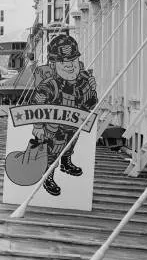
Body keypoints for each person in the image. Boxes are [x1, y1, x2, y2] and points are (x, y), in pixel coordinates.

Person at [28, 34, 98, 197]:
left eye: (72, 61)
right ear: (54, 63)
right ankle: (48, 176)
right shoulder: (51, 84)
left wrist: (92, 91)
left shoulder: (83, 80)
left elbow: (90, 104)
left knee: (71, 142)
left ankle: (66, 163)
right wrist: (38, 126)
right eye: (64, 62)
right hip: (53, 126)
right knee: (53, 149)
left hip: (73, 124)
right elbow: (37, 103)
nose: (69, 65)